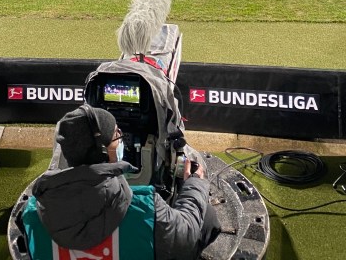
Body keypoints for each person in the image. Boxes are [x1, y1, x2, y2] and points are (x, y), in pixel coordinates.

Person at [20, 105, 220, 260]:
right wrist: (194, 184)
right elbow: (187, 233)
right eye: (116, 134)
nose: (120, 137)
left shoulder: (32, 212)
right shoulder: (147, 207)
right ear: (104, 151)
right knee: (207, 216)